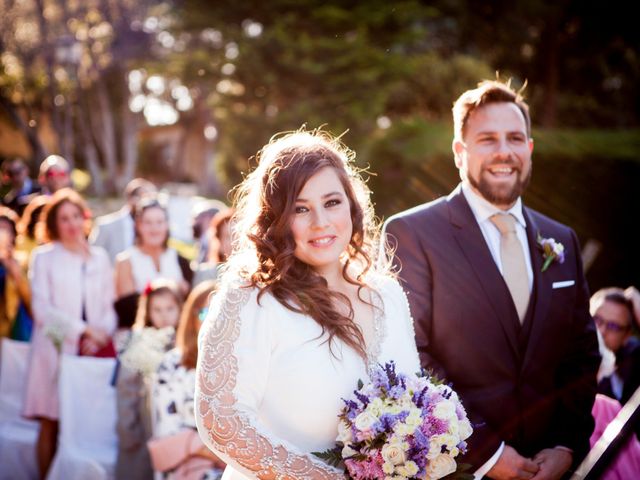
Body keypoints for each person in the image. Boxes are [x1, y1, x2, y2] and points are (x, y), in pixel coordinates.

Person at [383, 80, 600, 480]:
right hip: (461, 468)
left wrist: (566, 445)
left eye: (515, 138)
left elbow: (581, 355)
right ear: (458, 152)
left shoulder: (562, 240)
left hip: (550, 469)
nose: (504, 151)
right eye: (487, 139)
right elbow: (413, 356)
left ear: (529, 150)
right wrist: (485, 452)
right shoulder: (412, 234)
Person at [194, 130, 421, 480]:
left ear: (351, 204)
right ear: (277, 219)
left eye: (332, 202)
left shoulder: (387, 294)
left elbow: (415, 400)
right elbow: (221, 420)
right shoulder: (253, 298)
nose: (321, 222)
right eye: (300, 209)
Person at [22, 188, 116, 478]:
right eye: (64, 218)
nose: (72, 223)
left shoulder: (99, 257)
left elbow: (108, 305)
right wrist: (82, 331)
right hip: (53, 351)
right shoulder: (44, 257)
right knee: (51, 421)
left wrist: (99, 334)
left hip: (90, 353)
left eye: (76, 216)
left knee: (80, 424)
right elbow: (42, 310)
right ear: (53, 224)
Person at [148, 280, 225, 479]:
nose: (214, 321)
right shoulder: (172, 364)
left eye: (222, 313)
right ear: (192, 318)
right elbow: (168, 431)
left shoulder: (244, 363)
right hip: (188, 466)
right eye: (205, 313)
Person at [116, 278, 183, 480]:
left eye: (170, 308)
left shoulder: (184, 342)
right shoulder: (140, 342)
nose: (164, 316)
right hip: (143, 426)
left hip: (175, 429)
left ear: (181, 308)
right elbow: (125, 389)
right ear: (147, 310)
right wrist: (128, 431)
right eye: (157, 309)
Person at [114, 196, 192, 328]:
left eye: (159, 222)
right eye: (148, 223)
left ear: (167, 225)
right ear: (138, 225)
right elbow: (127, 310)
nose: (154, 228)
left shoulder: (180, 259)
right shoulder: (126, 261)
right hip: (142, 334)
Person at [90, 178, 157, 264]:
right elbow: (92, 258)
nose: (149, 205)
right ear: (130, 198)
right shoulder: (106, 225)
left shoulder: (155, 229)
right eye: (144, 199)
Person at [592, 287, 640, 406]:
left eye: (613, 326)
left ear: (626, 336)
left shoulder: (632, 364)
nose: (601, 330)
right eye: (597, 319)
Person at [0, 206, 32, 340]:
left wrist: (15, 272)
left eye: (5, 229)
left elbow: (31, 300)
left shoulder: (23, 261)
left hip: (15, 331)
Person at [192, 207, 234, 286]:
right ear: (219, 242)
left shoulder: (255, 275)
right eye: (228, 237)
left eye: (238, 235)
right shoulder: (205, 274)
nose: (235, 241)